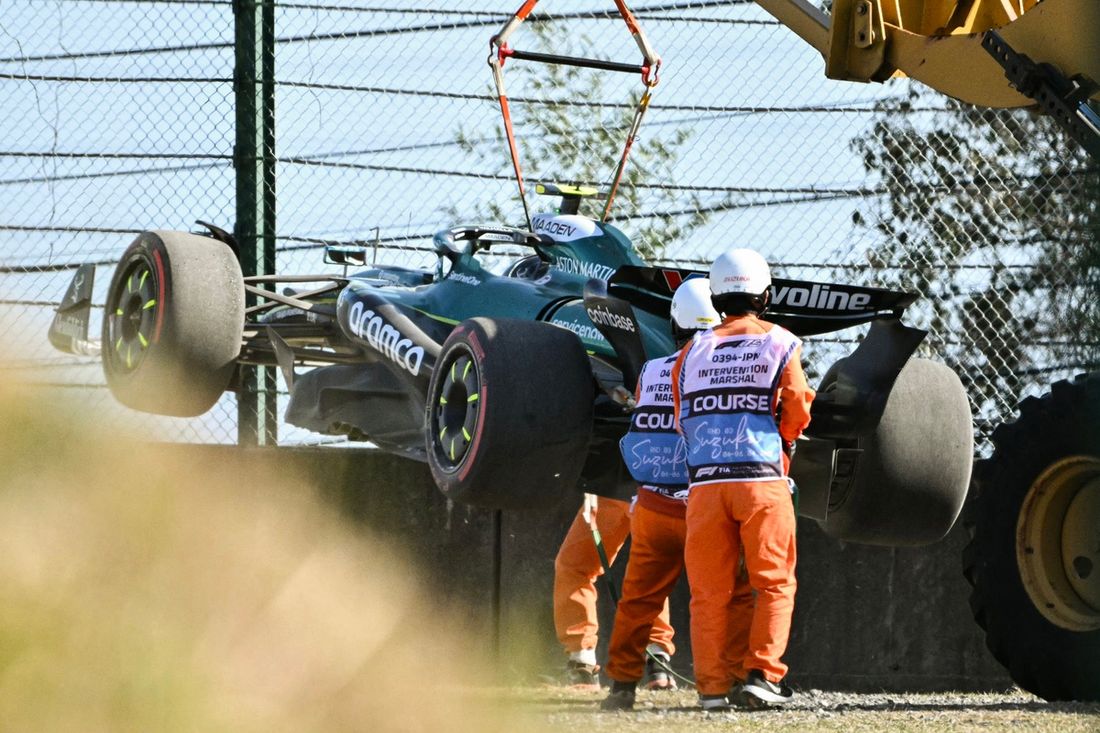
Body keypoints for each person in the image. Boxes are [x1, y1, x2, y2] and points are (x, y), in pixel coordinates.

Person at [601, 278, 755, 711]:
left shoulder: (650, 371)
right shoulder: (721, 368)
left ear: (674, 324)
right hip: (704, 508)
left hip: (651, 505)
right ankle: (732, 680)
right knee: (731, 595)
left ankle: (621, 686)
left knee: (638, 599)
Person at [671, 248, 814, 710]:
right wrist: (784, 440)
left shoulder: (691, 351)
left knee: (708, 593)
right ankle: (762, 676)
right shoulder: (782, 342)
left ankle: (712, 689)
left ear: (715, 297)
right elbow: (798, 406)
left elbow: (681, 414)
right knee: (773, 582)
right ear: (766, 296)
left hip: (705, 486)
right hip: (761, 479)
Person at [553, 496, 674, 690]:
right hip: (631, 487)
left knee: (575, 566)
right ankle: (657, 662)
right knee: (650, 565)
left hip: (626, 487)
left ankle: (583, 663)